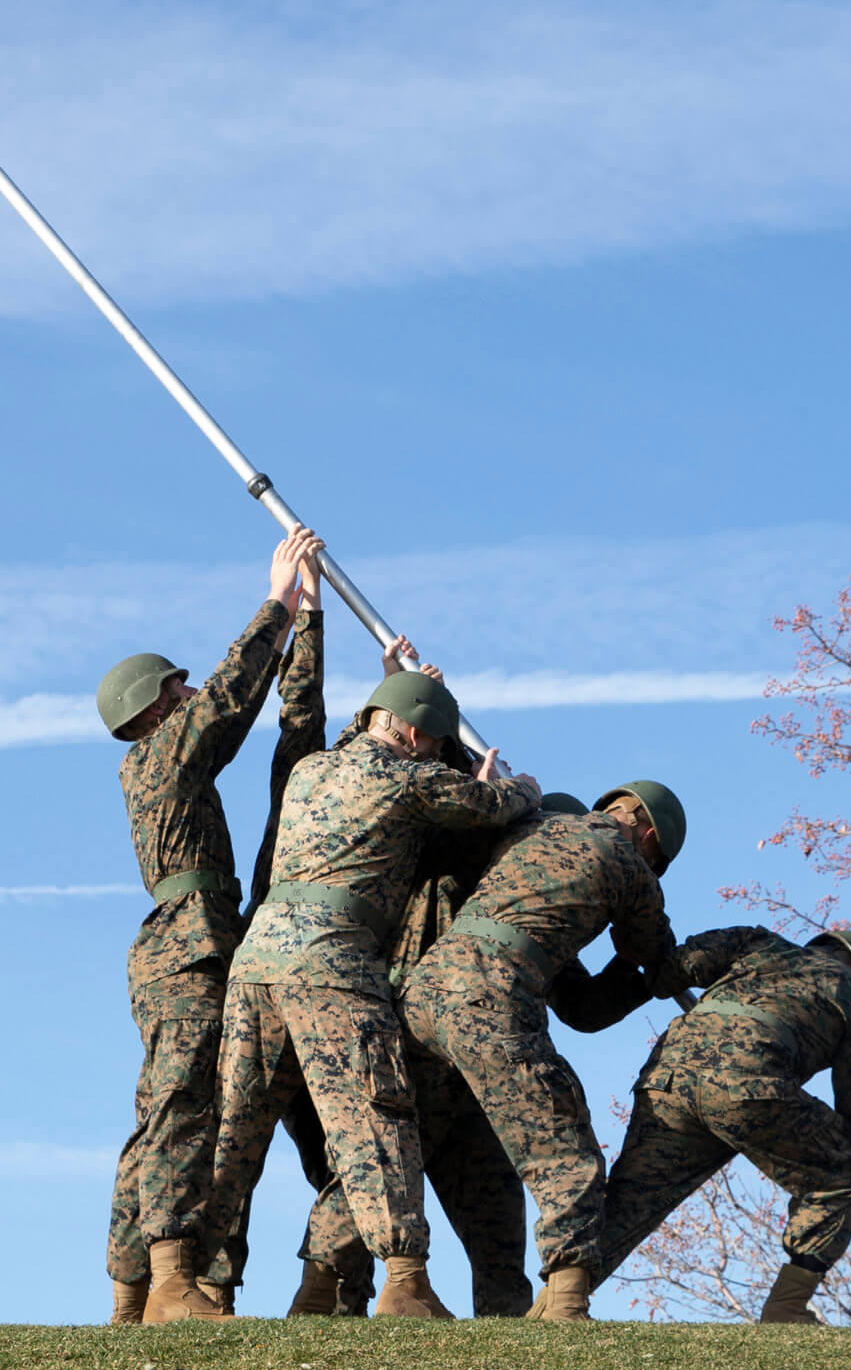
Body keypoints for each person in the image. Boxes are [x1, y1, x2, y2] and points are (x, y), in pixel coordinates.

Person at [204, 661, 541, 1317]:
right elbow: (490, 807)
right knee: (372, 1117)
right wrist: (516, 784)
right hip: (333, 964)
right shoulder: (409, 777)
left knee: (236, 1130)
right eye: (435, 743)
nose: (436, 755)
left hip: (256, 964)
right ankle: (405, 1280)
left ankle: (195, 1285)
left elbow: (366, 738)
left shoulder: (312, 769)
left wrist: (396, 683)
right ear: (415, 735)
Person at [97, 524, 321, 1324]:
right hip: (188, 943)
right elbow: (231, 697)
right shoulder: (161, 754)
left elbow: (272, 726)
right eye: (178, 686)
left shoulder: (162, 762)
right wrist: (277, 603)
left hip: (191, 939)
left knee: (167, 1110)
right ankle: (166, 1282)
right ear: (156, 706)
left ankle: (134, 1297)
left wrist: (306, 623)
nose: (192, 691)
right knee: (184, 1107)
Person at [394, 781, 687, 1320]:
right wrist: (672, 965)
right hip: (491, 999)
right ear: (648, 836)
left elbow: (582, 1008)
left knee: (396, 1144)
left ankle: (331, 1288)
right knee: (563, 1145)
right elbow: (654, 953)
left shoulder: (532, 828)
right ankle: (567, 1300)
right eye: (656, 862)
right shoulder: (627, 860)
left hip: (422, 994)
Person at [585, 925, 851, 1324]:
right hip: (749, 1088)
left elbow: (679, 966)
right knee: (844, 1176)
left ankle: (560, 1300)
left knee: (630, 1202)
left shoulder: (759, 942)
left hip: (669, 1077)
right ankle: (786, 1311)